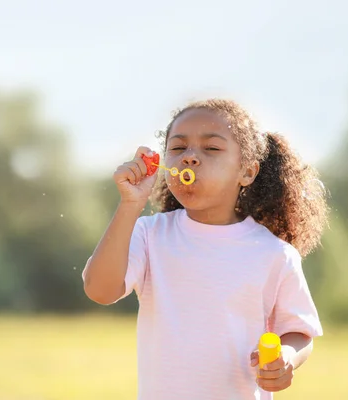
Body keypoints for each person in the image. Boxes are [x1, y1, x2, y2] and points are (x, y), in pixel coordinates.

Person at [82, 98, 328, 400]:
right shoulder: (150, 235)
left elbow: (299, 331)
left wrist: (287, 358)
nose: (189, 158)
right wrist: (130, 205)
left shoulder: (274, 254)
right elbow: (100, 290)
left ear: (247, 172)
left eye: (211, 148)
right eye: (177, 148)